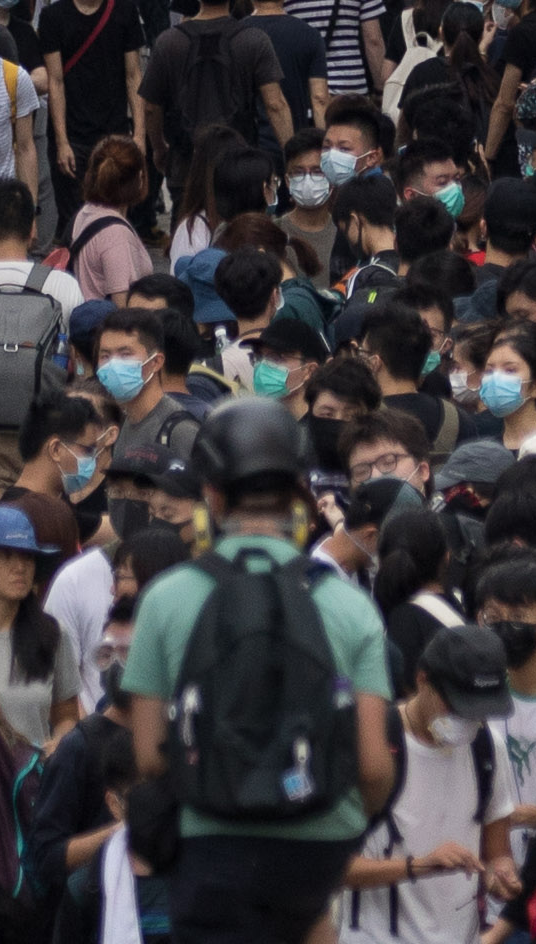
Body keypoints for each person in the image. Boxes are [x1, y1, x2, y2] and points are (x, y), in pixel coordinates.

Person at [119, 399, 395, 944]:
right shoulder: (348, 603)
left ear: (212, 496)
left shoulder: (166, 599)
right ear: (301, 494)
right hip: (318, 844)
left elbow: (150, 756)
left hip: (210, 841)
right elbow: (373, 765)